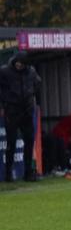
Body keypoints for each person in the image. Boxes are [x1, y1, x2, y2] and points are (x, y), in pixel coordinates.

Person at [0, 51, 42, 182]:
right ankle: (8, 174)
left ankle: (28, 172)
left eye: (22, 64)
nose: (19, 65)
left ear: (26, 64)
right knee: (11, 143)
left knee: (29, 141)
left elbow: (38, 84)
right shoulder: (4, 71)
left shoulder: (32, 72)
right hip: (11, 110)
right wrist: (3, 105)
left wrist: (34, 101)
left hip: (27, 110)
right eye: (18, 63)